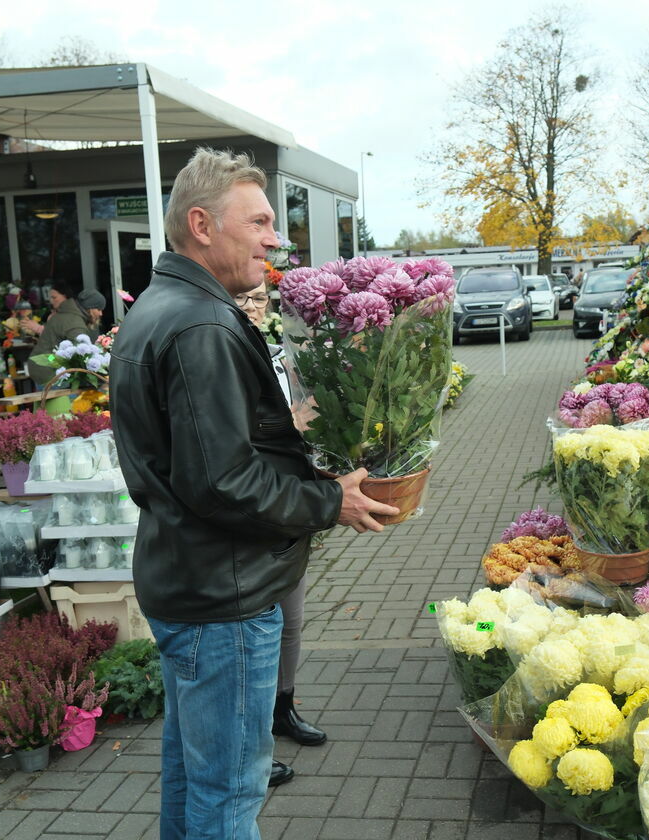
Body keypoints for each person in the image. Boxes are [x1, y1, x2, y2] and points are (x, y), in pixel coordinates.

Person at [110, 148, 397, 840]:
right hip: (224, 598)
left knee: (193, 781)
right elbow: (222, 481)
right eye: (261, 222)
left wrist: (312, 477)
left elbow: (212, 460)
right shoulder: (200, 323)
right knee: (229, 796)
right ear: (202, 225)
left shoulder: (163, 306)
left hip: (190, 582)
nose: (276, 238)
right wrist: (331, 503)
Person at [234, 282, 328, 766]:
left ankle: (283, 710)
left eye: (260, 300)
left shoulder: (281, 357)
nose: (252, 307)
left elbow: (310, 416)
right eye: (242, 300)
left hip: (291, 508)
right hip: (253, 510)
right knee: (256, 632)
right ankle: (252, 744)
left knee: (291, 622)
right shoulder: (224, 359)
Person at [28, 282, 94, 385]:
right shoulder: (70, 319)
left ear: (65, 296)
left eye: (54, 297)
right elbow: (79, 354)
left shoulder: (62, 317)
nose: (51, 301)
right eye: (51, 297)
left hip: (41, 367)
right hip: (47, 368)